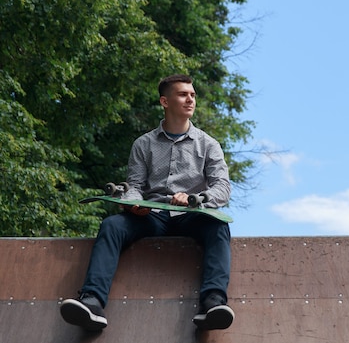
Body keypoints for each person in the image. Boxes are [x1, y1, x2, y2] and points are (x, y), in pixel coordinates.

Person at [60, 74, 234, 331]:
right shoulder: (144, 144)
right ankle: (92, 302)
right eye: (183, 94)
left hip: (192, 214)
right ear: (165, 101)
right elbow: (136, 186)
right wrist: (132, 204)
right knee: (112, 225)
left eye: (193, 95)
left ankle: (212, 303)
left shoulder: (208, 145)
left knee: (219, 228)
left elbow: (223, 188)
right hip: (153, 215)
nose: (190, 99)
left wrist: (196, 198)